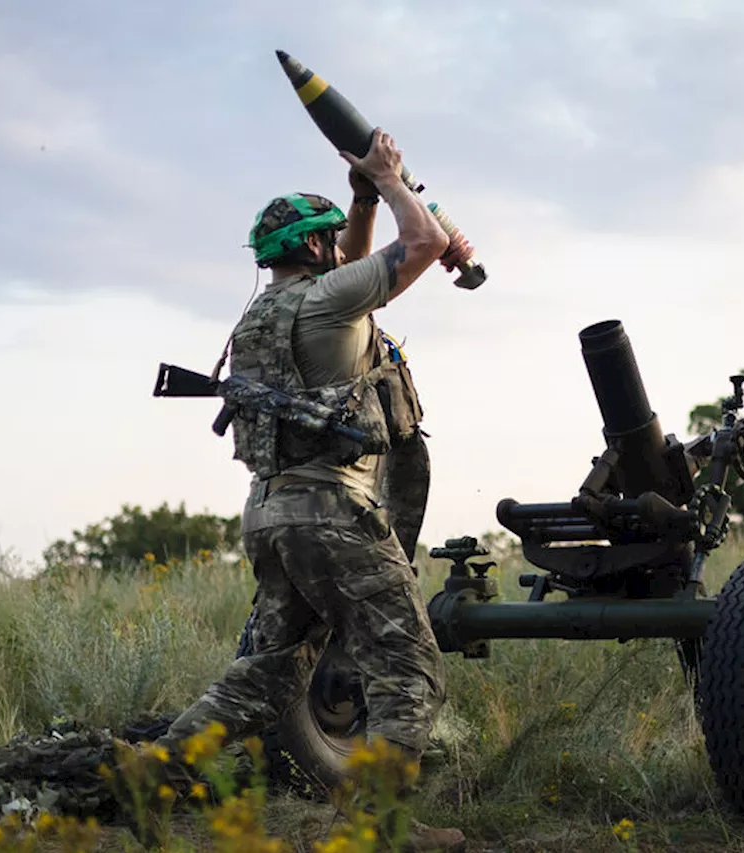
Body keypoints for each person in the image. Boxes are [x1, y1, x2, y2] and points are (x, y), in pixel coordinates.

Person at [158, 129, 469, 850]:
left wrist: (359, 199)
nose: (341, 248)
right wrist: (392, 182)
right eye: (332, 237)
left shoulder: (266, 314)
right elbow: (418, 245)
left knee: (265, 676)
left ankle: (149, 773)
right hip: (336, 513)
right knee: (409, 665)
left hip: (272, 514)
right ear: (314, 249)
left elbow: (355, 270)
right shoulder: (328, 306)